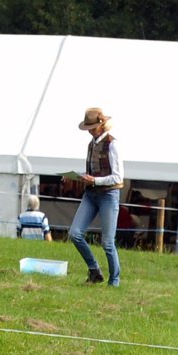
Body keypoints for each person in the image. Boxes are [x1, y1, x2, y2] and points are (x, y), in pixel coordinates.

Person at [66, 106, 123, 287]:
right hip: (91, 194)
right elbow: (94, 171)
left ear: (100, 125)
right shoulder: (92, 144)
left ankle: (114, 281)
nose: (89, 131)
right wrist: (77, 175)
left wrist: (95, 181)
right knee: (75, 233)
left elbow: (118, 177)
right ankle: (94, 270)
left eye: (91, 128)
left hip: (108, 195)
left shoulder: (113, 144)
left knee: (107, 242)